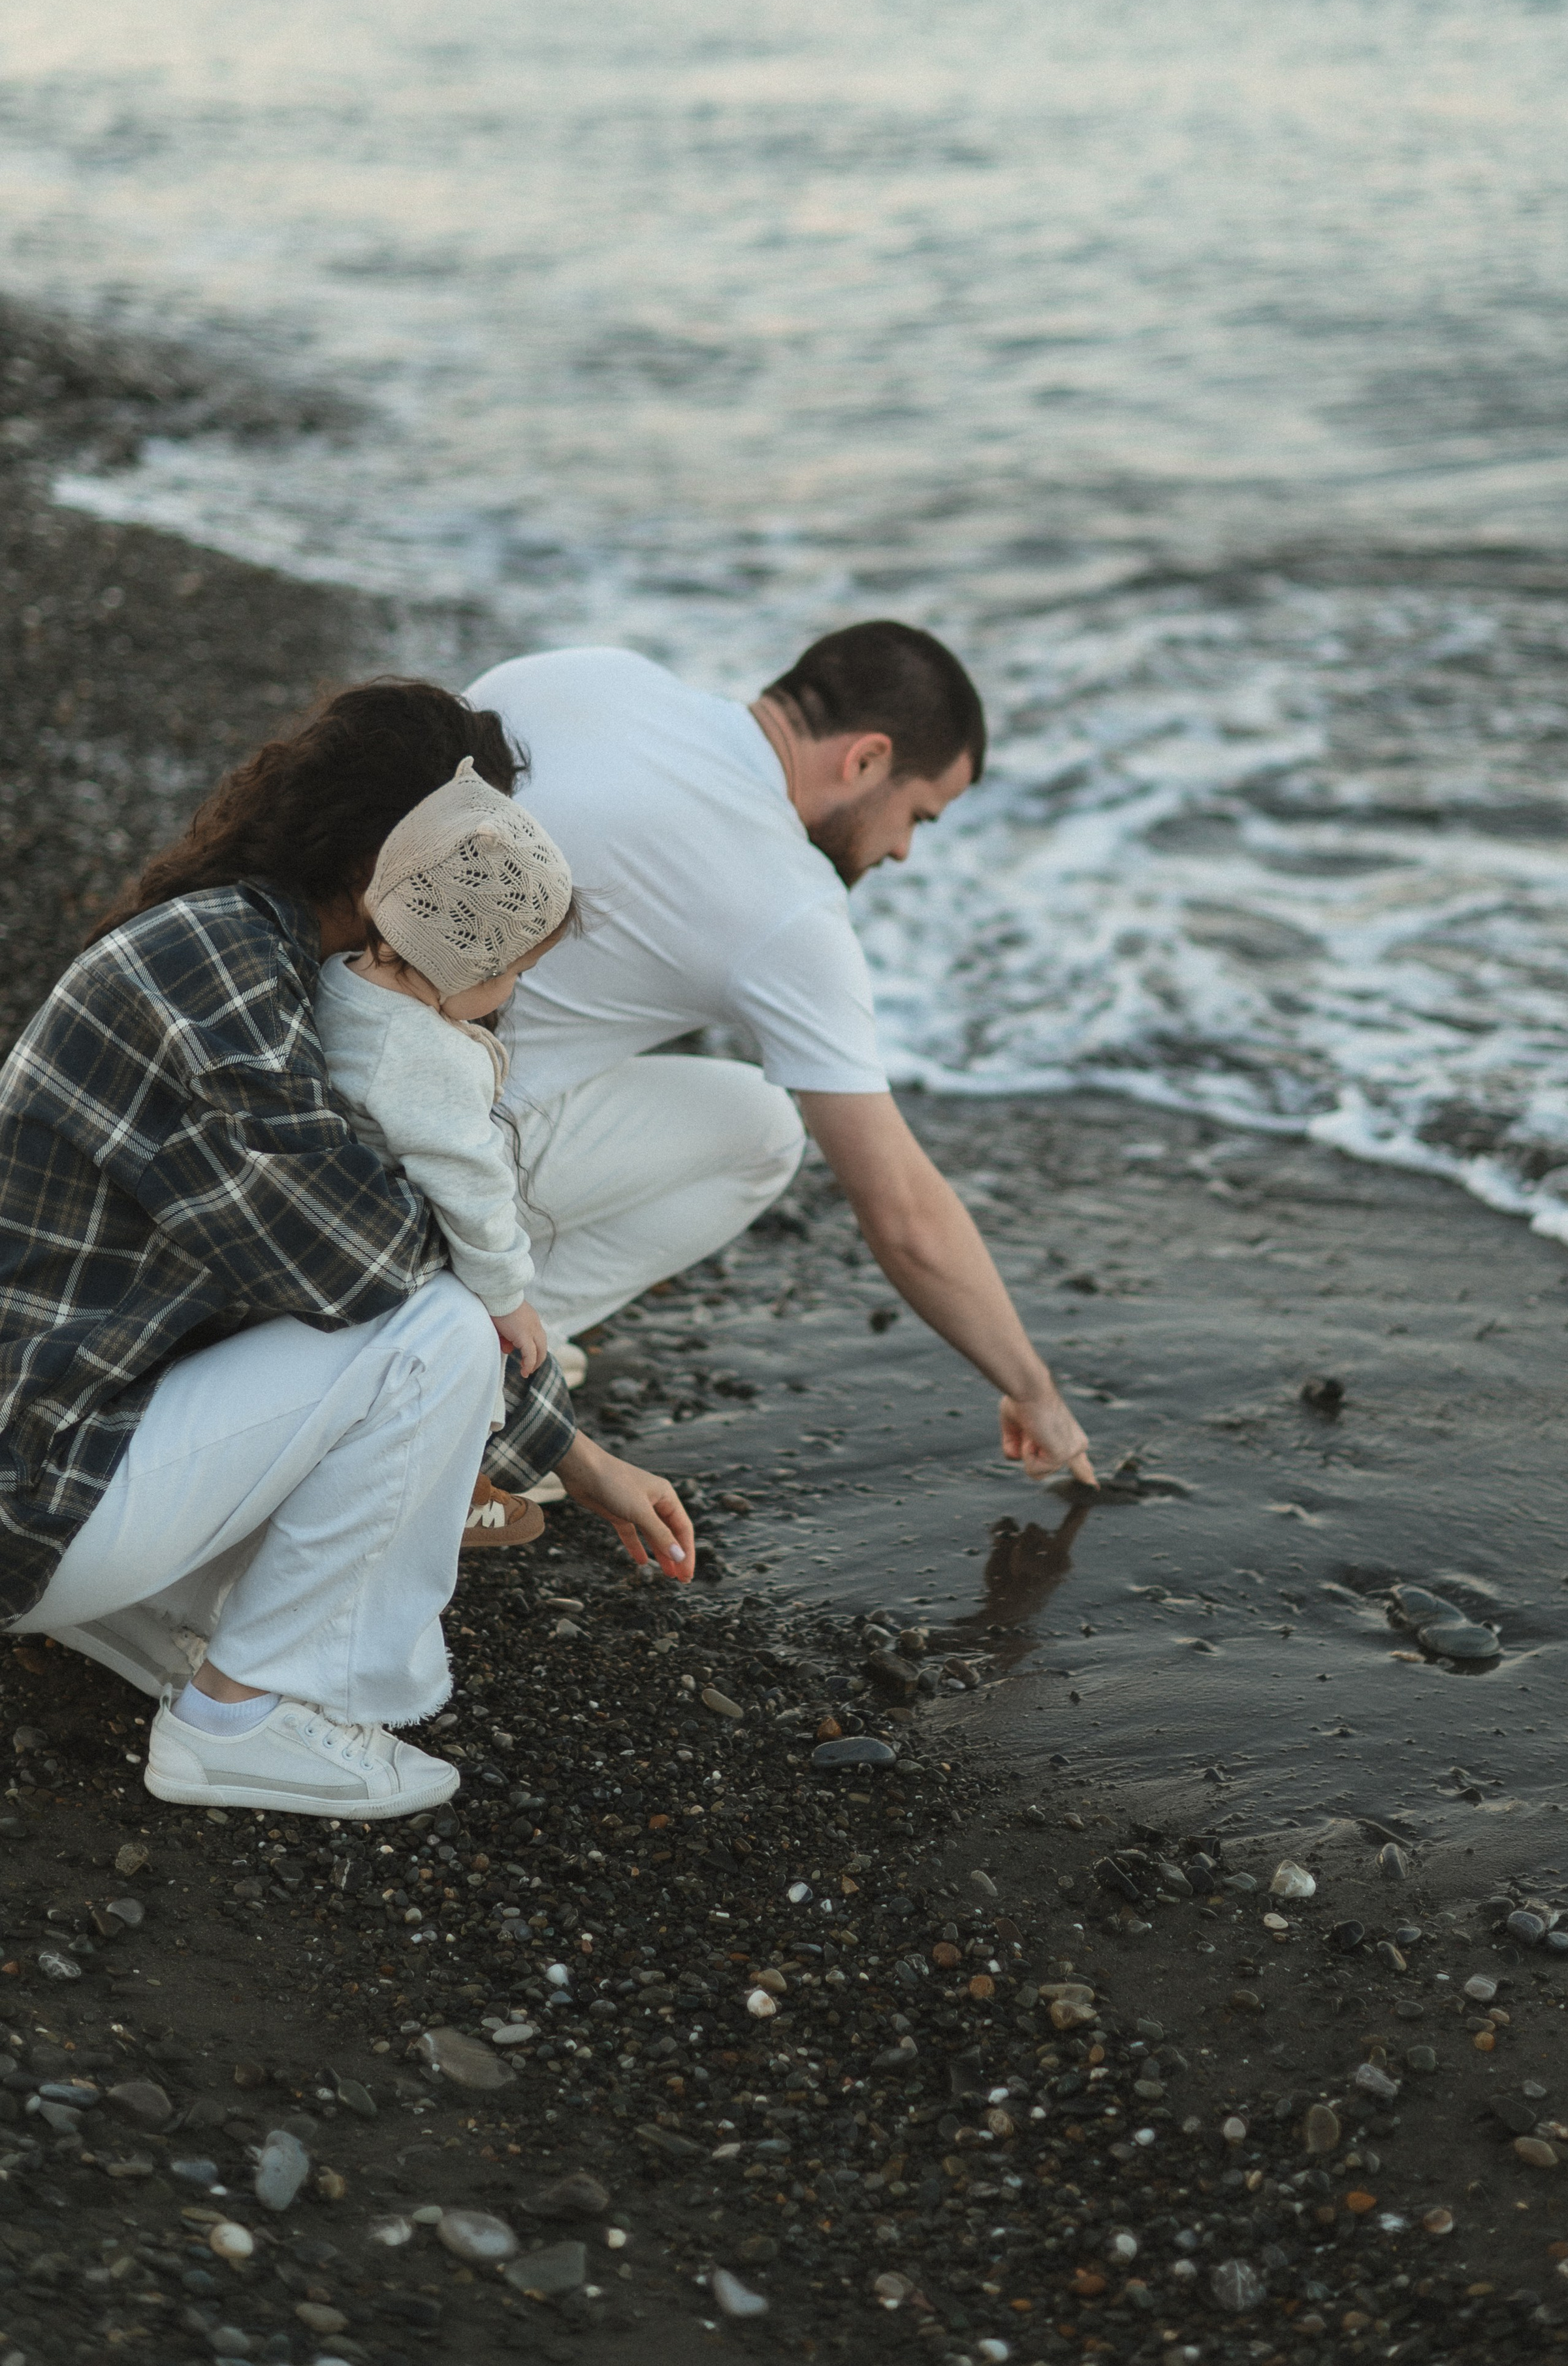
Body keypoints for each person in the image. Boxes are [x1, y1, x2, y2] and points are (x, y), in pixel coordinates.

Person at [0, 679, 691, 1820]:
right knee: (433, 1334)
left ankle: (140, 1616)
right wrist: (568, 1448)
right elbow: (367, 1270)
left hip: (57, 1448)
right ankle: (241, 1716)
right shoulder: (214, 970)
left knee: (428, 1306)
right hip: (41, 1482)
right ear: (398, 868)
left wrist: (571, 1453)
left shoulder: (271, 952)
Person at [464, 620, 1095, 1486]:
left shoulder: (590, 673)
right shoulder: (784, 905)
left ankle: (496, 1319)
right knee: (762, 1131)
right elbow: (904, 1213)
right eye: (917, 815)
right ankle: (476, 1357)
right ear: (867, 759)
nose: (905, 849)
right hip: (419, 1155)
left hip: (305, 1041)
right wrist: (1035, 1391)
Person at [317, 754, 587, 1554]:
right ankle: (458, 1480)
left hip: (350, 1222)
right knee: (476, 1329)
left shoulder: (341, 980)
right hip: (391, 1259)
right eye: (512, 972)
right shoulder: (421, 1054)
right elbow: (467, 1181)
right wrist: (508, 1294)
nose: (510, 992)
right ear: (469, 961)